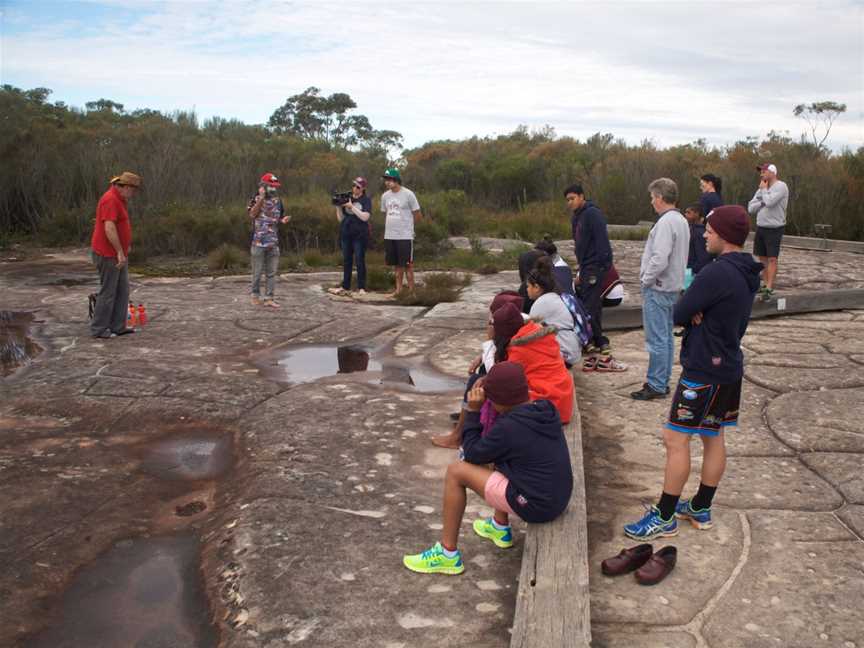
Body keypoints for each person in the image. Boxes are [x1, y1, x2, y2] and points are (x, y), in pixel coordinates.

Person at [623, 206, 762, 540]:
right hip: (729, 366)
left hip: (703, 370)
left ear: (724, 234)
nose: (705, 234)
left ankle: (665, 515)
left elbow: (680, 311)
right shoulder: (748, 271)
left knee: (675, 438)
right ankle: (701, 507)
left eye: (710, 230)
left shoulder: (716, 273)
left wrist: (694, 309)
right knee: (713, 436)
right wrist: (698, 309)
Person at [402, 362, 573, 575]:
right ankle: (499, 527)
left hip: (536, 506)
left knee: (456, 471)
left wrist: (473, 412)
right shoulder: (544, 408)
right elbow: (498, 444)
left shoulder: (509, 428)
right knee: (502, 457)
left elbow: (472, 454)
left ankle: (447, 555)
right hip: (557, 497)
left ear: (498, 402)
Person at [431, 291, 523, 449]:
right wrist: (482, 355)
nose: (490, 321)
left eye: (493, 318)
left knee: (477, 380)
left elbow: (497, 372)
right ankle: (465, 420)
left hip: (536, 397)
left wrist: (489, 341)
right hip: (545, 393)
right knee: (480, 374)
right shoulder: (521, 326)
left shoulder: (518, 344)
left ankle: (459, 435)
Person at [631, 178, 690, 401]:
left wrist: (646, 279)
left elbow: (659, 257)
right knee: (665, 337)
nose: (651, 202)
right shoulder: (681, 220)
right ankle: (661, 381)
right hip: (672, 287)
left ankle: (656, 384)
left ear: (660, 198)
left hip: (658, 287)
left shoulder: (666, 222)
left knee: (657, 339)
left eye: (653, 197)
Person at [492, 302, 574, 425]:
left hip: (548, 406)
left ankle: (474, 429)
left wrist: (488, 343)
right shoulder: (537, 333)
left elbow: (500, 378)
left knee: (493, 393)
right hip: (562, 399)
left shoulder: (519, 349)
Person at [565, 184, 614, 366]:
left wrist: (603, 264)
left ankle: (598, 340)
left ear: (581, 196)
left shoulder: (592, 214)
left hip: (595, 266)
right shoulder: (576, 217)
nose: (570, 202)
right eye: (568, 200)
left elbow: (602, 239)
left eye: (572, 198)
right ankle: (594, 339)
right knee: (589, 302)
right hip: (585, 266)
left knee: (590, 305)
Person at [89, 171, 142, 339]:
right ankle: (98, 329)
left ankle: (118, 326)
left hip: (119, 253)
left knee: (122, 290)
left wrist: (126, 246)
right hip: (108, 254)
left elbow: (120, 226)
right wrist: (119, 251)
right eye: (133, 190)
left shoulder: (120, 199)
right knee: (109, 292)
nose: (134, 194)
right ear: (125, 187)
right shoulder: (110, 199)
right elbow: (109, 228)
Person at [526, 256, 581, 367]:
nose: (526, 289)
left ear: (536, 287)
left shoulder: (542, 303)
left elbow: (528, 332)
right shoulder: (554, 296)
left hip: (564, 355)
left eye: (528, 286)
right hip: (571, 349)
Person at [747, 163, 789, 302]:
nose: (761, 174)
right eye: (761, 172)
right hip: (761, 226)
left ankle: (769, 287)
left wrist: (764, 192)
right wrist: (762, 201)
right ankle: (764, 284)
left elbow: (770, 202)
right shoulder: (761, 188)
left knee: (772, 258)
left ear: (772, 172)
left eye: (764, 171)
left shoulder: (781, 186)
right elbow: (751, 207)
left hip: (775, 227)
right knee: (762, 258)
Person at [248, 172, 290, 308]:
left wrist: (282, 220)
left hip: (273, 242)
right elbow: (252, 214)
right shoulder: (255, 198)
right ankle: (255, 295)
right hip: (259, 242)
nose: (273, 189)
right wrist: (261, 198)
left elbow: (278, 217)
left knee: (271, 273)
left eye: (274, 186)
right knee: (257, 272)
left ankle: (269, 298)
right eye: (270, 186)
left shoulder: (278, 201)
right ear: (263, 186)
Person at [380, 168, 422, 294]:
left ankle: (411, 291)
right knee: (396, 265)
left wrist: (409, 228)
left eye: (389, 179)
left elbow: (418, 214)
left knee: (408, 265)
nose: (387, 182)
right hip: (390, 235)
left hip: (404, 235)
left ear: (396, 180)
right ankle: (398, 290)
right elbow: (385, 213)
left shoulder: (408, 194)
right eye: (386, 180)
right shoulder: (385, 196)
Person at [333, 177, 372, 296]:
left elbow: (365, 217)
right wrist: (338, 207)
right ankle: (346, 285)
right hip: (346, 233)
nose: (355, 188)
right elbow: (341, 219)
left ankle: (361, 287)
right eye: (354, 185)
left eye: (358, 187)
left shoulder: (366, 200)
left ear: (363, 188)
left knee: (360, 260)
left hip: (360, 234)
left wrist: (352, 207)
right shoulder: (347, 197)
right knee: (347, 261)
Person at [684, 204, 711, 277]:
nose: (685, 215)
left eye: (689, 213)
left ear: (697, 214)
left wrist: (690, 271)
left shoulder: (699, 233)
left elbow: (703, 258)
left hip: (693, 274)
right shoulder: (691, 229)